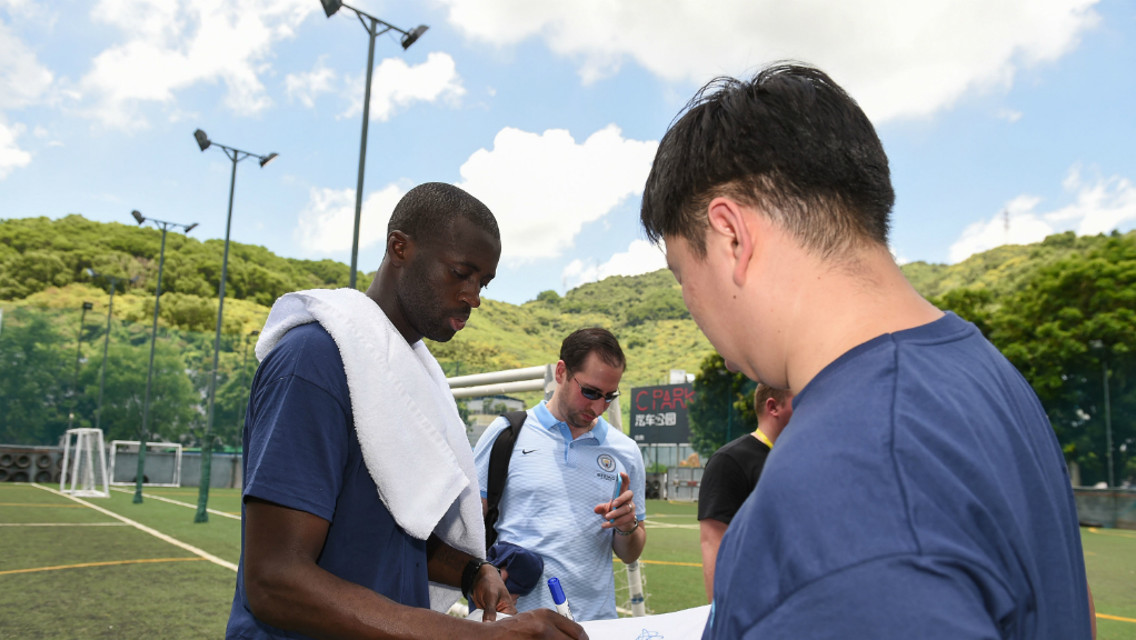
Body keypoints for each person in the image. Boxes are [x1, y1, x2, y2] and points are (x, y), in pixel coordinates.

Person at [639, 63, 1094, 638]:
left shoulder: (836, 485)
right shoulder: (987, 375)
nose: (690, 304)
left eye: (682, 273)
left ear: (732, 236)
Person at [226, 182, 586, 640]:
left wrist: (470, 570)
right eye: (461, 272)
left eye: (484, 283)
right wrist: (480, 637)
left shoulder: (413, 375)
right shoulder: (313, 360)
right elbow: (274, 580)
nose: (474, 296)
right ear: (400, 247)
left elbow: (384, 532)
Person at [472, 328, 647, 622]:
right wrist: (481, 576)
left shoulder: (625, 452)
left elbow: (629, 553)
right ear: (562, 372)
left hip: (593, 625)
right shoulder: (506, 434)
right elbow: (469, 526)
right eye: (590, 392)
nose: (598, 407)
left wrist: (627, 527)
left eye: (609, 397)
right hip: (513, 624)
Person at [697, 382, 793, 601]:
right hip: (755, 603)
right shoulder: (729, 461)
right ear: (773, 407)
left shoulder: (798, 456)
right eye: (800, 399)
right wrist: (719, 615)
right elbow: (714, 543)